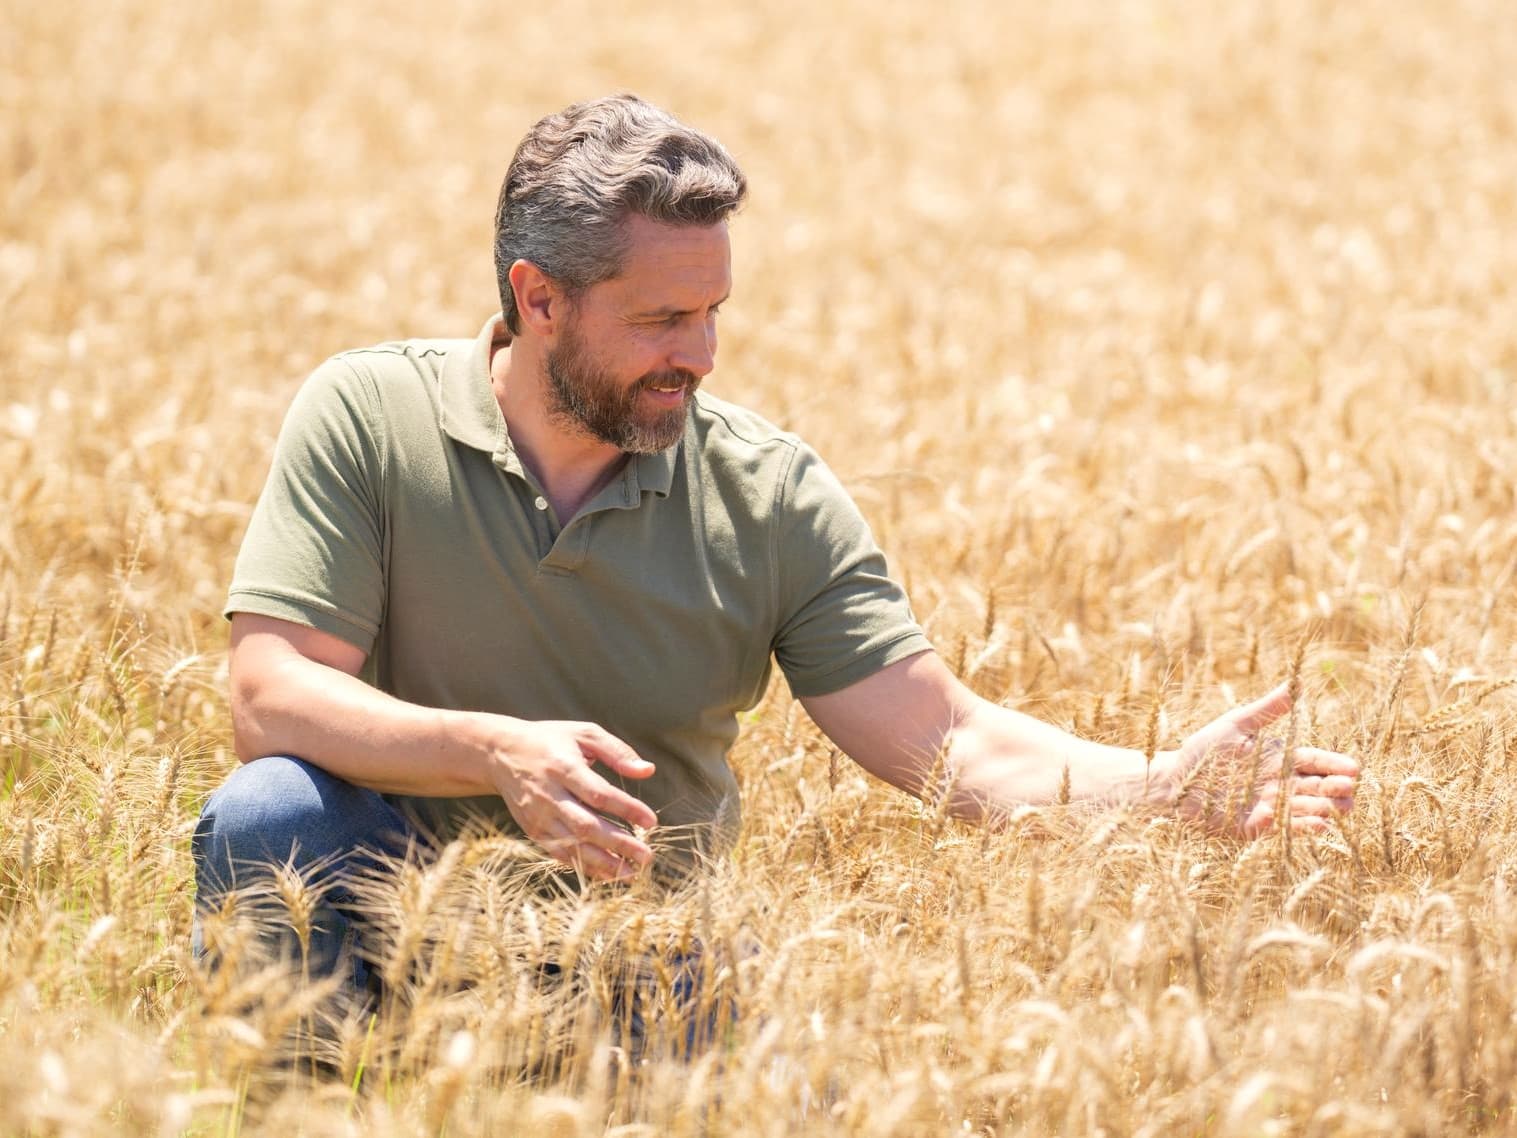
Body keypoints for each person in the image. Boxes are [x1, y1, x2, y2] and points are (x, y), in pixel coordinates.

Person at [193, 95, 1359, 1006]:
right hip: (398, 916)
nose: (699, 355)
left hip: (639, 948)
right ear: (536, 298)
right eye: (659, 319)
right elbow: (270, 693)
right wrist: (493, 751)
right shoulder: (365, 415)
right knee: (267, 816)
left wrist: (1156, 789)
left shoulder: (769, 490)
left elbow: (950, 738)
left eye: (713, 314)